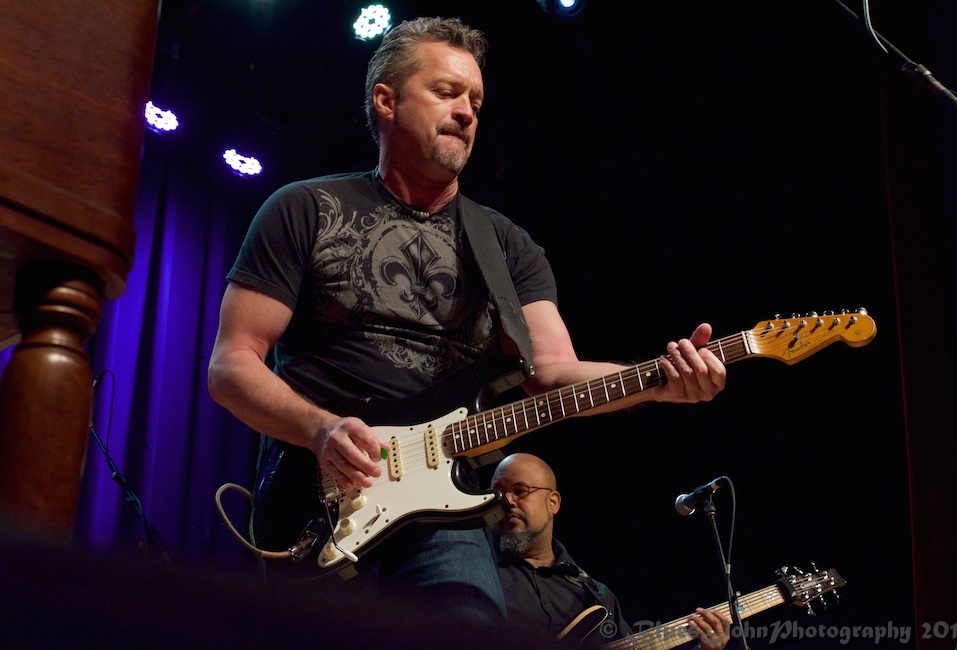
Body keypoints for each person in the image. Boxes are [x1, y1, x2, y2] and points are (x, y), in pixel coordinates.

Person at [207, 15, 726, 642]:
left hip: (446, 509)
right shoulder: (304, 208)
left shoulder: (507, 247)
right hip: (319, 499)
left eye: (476, 100)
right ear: (386, 100)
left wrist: (658, 384)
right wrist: (319, 431)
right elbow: (232, 365)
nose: (467, 112)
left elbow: (555, 375)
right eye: (447, 92)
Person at [490, 452, 730, 649]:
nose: (507, 501)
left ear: (553, 502)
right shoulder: (477, 572)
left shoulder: (595, 596)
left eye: (520, 491)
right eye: (498, 494)